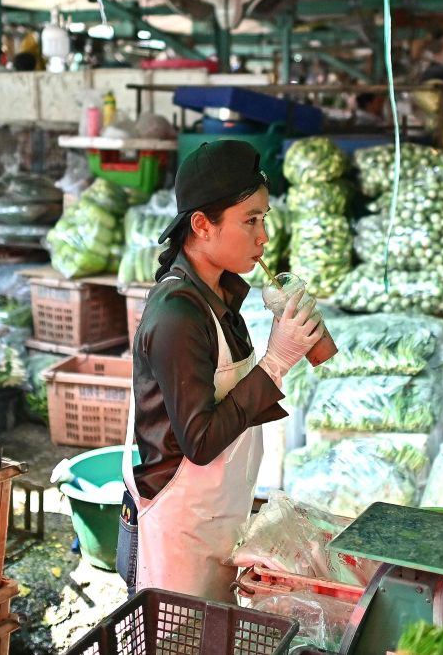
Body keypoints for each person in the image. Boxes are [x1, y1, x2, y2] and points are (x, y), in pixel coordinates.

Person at [118, 140, 322, 602]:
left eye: (264, 219)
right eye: (250, 220)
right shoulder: (176, 315)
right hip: (179, 530)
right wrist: (276, 362)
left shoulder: (220, 295)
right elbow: (201, 440)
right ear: (202, 225)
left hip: (216, 519)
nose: (263, 236)